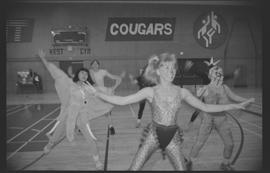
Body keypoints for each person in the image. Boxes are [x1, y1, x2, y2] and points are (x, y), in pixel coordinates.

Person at [93, 53, 253, 171]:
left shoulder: (181, 92)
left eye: (173, 68)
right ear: (158, 71)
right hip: (153, 135)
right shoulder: (150, 91)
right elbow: (122, 101)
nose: (171, 71)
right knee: (134, 168)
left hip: (172, 138)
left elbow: (206, 108)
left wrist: (232, 106)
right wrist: (97, 93)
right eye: (166, 67)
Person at [38, 49, 114, 170]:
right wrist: (43, 59)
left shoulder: (89, 88)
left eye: (86, 74)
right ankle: (50, 144)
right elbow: (56, 72)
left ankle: (97, 161)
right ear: (77, 74)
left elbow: (101, 93)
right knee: (58, 132)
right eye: (82, 73)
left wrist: (110, 92)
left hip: (82, 116)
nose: (84, 75)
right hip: (69, 114)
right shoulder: (69, 83)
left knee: (90, 138)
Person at [188, 60, 255, 171]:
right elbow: (198, 95)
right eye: (216, 72)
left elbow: (235, 97)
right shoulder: (205, 88)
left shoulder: (224, 88)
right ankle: (189, 161)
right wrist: (197, 91)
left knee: (230, 144)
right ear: (210, 75)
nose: (218, 74)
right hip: (207, 119)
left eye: (220, 73)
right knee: (199, 143)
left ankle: (225, 163)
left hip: (222, 120)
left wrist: (247, 100)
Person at [89, 59, 126, 134]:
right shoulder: (90, 72)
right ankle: (83, 126)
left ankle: (111, 127)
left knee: (107, 111)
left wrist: (118, 77)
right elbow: (93, 82)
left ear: (99, 65)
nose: (95, 65)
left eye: (96, 64)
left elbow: (112, 77)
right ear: (91, 65)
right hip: (93, 93)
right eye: (93, 64)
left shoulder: (103, 71)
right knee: (88, 110)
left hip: (102, 93)